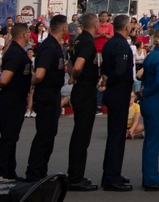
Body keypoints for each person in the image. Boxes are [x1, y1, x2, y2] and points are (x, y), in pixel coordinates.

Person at [25, 14, 68, 181]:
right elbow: (40, 74)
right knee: (44, 135)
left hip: (53, 93)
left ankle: (41, 170)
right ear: (63, 28)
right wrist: (33, 82)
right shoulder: (49, 46)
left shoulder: (55, 45)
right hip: (46, 94)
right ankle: (34, 171)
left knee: (49, 134)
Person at [100, 14, 135, 192]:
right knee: (116, 136)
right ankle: (112, 177)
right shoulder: (121, 45)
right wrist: (109, 81)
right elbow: (120, 70)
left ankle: (111, 172)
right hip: (119, 93)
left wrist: (106, 79)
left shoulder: (109, 44)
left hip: (114, 93)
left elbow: (106, 68)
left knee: (115, 134)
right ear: (126, 28)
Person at [0, 23, 32, 179]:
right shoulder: (15, 53)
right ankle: (1, 173)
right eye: (28, 32)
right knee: (8, 138)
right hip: (11, 100)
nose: (30, 35)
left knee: (12, 137)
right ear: (23, 34)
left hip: (17, 99)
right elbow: (5, 78)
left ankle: (10, 171)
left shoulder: (18, 52)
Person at [67, 13, 100, 191]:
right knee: (82, 136)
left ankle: (76, 173)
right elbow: (78, 65)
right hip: (85, 90)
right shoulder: (87, 42)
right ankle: (75, 177)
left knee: (79, 134)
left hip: (80, 90)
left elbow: (69, 62)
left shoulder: (78, 41)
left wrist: (72, 77)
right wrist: (75, 76)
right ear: (94, 25)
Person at [137, 27, 159, 190]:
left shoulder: (151, 56)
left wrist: (144, 91)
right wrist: (148, 91)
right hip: (156, 100)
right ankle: (151, 179)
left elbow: (143, 76)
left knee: (150, 141)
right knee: (154, 141)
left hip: (148, 101)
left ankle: (150, 175)